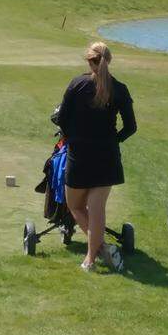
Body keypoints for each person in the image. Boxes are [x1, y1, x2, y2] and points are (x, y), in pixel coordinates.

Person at [56, 42, 137, 272]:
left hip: (79, 155)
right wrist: (115, 141)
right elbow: (131, 127)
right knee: (97, 209)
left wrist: (72, 137)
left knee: (75, 206)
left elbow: (62, 119)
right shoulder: (120, 88)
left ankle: (97, 253)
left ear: (89, 61)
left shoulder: (77, 84)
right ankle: (92, 258)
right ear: (108, 61)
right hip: (107, 157)